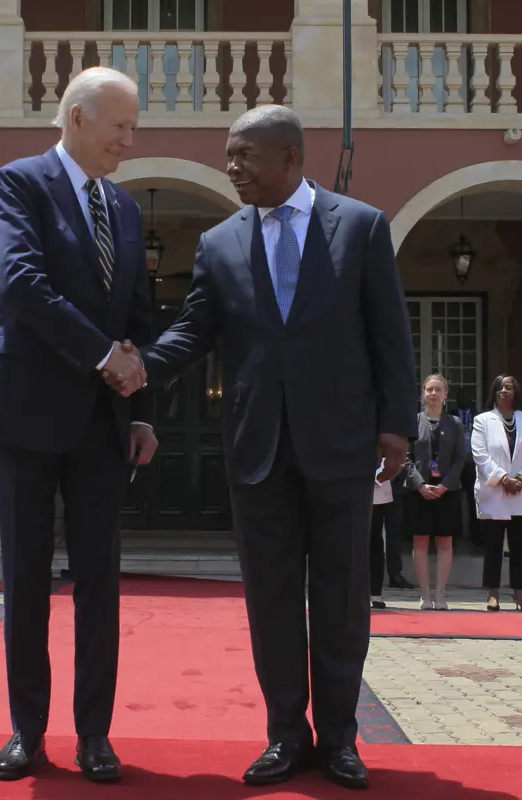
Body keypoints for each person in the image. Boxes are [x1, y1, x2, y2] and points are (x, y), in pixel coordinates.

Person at [116, 105, 417, 791]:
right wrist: (139, 366)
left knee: (341, 598)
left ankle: (341, 741)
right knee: (271, 598)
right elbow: (194, 332)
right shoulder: (221, 243)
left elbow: (389, 335)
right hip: (257, 450)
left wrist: (397, 427)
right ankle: (287, 736)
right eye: (229, 154)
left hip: (341, 447)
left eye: (243, 155)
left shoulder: (361, 227)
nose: (231, 168)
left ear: (289, 157)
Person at [0, 66, 158, 783]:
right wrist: (102, 355)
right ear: (78, 117)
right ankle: (27, 732)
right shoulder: (20, 183)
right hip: (24, 413)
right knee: (24, 579)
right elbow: (21, 283)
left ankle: (95, 737)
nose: (129, 141)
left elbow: (139, 314)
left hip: (103, 423)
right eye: (121, 126)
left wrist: (141, 408)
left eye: (134, 127)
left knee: (100, 584)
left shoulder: (127, 208)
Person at [471, 375, 522, 612]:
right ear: (493, 392)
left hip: (520, 491)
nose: (504, 390)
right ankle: (492, 592)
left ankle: (519, 592)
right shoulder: (483, 420)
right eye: (500, 387)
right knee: (493, 544)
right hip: (494, 490)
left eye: (509, 387)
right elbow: (480, 455)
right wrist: (503, 479)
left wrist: (520, 479)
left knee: (518, 544)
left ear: (516, 392)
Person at [404, 374, 469, 611]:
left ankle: (441, 594)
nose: (433, 394)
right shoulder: (413, 421)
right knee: (420, 541)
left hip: (447, 491)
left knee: (444, 541)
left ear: (445, 395)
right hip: (419, 491)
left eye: (437, 390)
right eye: (429, 389)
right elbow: (405, 457)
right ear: (423, 393)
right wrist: (420, 484)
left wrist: (445, 484)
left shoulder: (455, 424)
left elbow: (462, 457)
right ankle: (425, 595)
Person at [369, 449, 411, 610]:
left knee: (375, 539)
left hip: (380, 482)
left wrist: (385, 471)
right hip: (353, 480)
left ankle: (375, 592)